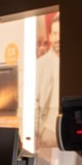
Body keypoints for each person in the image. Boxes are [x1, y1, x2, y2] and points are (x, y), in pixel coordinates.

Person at [35, 15, 60, 152]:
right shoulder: (40, 64)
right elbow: (33, 100)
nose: (58, 38)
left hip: (70, 133)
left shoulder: (76, 64)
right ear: (50, 36)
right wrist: (40, 131)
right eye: (55, 33)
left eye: (60, 33)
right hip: (48, 133)